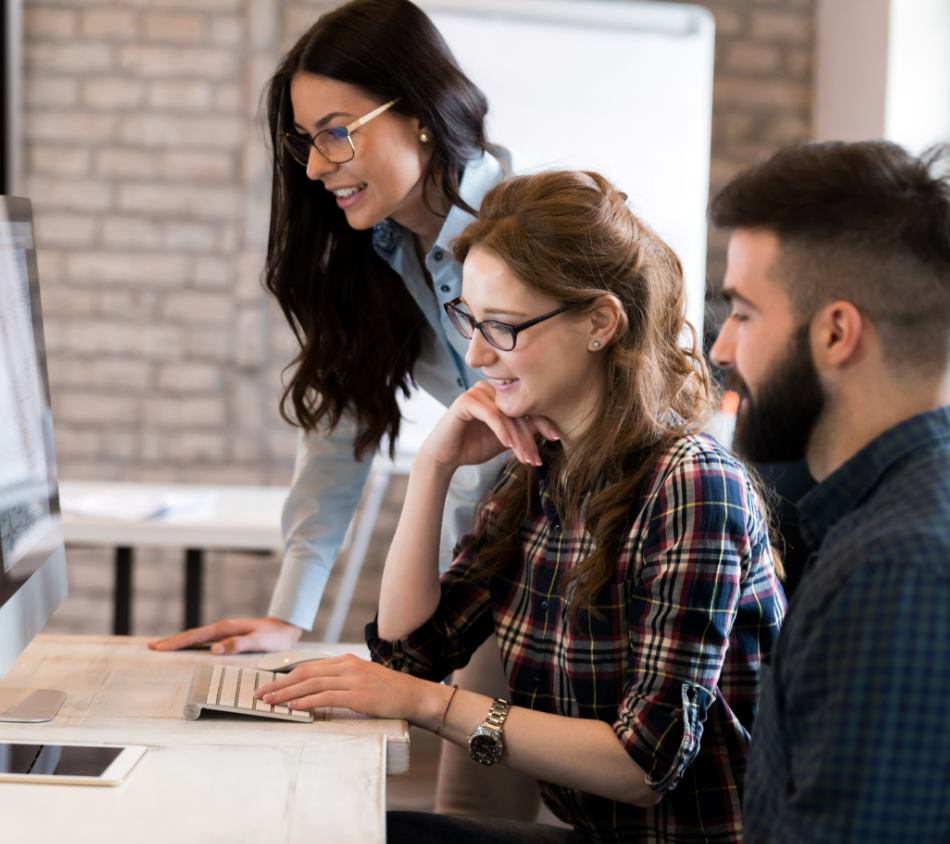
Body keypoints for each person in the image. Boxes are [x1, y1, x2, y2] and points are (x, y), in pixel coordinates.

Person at [254, 170, 786, 843]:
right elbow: (409, 650)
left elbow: (644, 764)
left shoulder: (692, 485)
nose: (476, 356)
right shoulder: (542, 467)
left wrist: (429, 704)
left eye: (501, 328)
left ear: (600, 322)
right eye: (469, 321)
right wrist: (433, 467)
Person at [148, 0, 539, 820]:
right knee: (469, 814)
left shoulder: (528, 230)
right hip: (487, 564)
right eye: (304, 140)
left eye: (337, 131)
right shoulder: (378, 247)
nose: (318, 165)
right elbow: (337, 430)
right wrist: (289, 612)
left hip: (573, 563)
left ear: (420, 116)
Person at [708, 141, 950, 843]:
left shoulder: (893, 572)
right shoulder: (874, 521)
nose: (722, 351)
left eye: (745, 314)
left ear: (837, 332)